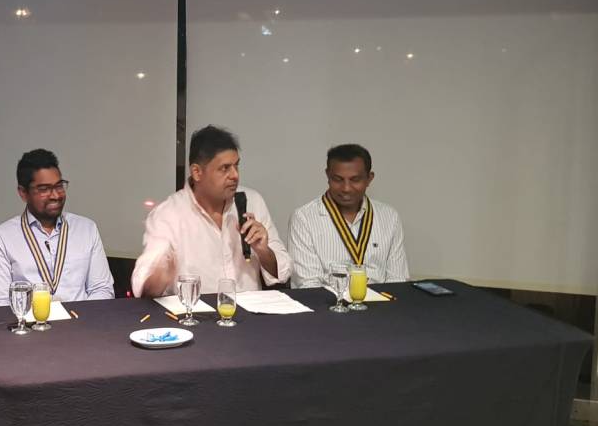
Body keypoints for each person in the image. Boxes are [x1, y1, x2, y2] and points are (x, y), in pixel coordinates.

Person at [132, 125, 291, 297]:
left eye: (236, 166)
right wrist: (158, 277)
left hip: (248, 310)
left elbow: (283, 271)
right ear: (197, 172)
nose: (235, 175)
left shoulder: (253, 201)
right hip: (194, 311)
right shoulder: (169, 214)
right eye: (225, 168)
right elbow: (142, 284)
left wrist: (263, 251)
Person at [0, 149, 115, 306]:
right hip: (27, 320)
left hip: (81, 319)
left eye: (59, 186)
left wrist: (81, 317)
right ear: (23, 193)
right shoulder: (2, 238)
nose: (55, 196)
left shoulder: (87, 229)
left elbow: (102, 289)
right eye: (44, 189)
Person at [287, 143, 408, 288]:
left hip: (381, 300)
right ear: (327, 176)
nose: (346, 188)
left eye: (355, 180)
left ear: (369, 179)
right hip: (326, 301)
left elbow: (397, 281)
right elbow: (309, 285)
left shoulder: (389, 217)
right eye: (338, 179)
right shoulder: (304, 218)